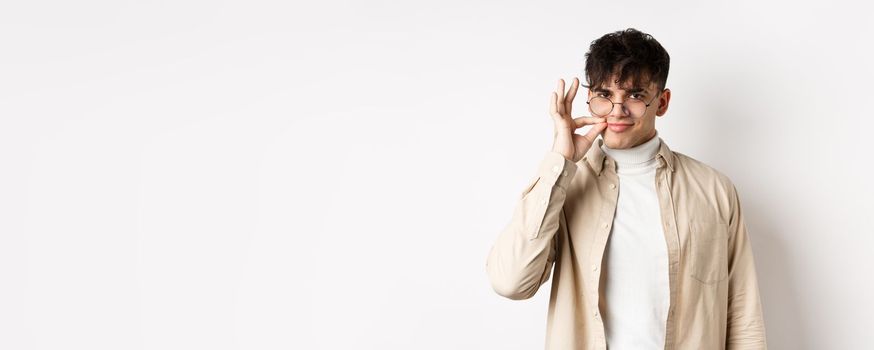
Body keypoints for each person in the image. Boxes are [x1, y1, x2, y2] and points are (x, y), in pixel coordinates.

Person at [484, 28, 767, 350]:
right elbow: (511, 283)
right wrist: (560, 162)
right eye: (605, 95)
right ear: (590, 98)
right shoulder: (564, 184)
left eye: (634, 95)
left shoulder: (713, 189)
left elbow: (744, 315)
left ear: (661, 102)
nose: (617, 111)